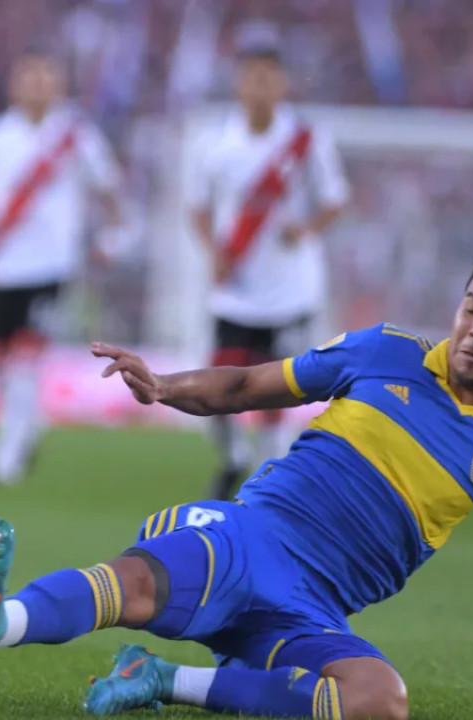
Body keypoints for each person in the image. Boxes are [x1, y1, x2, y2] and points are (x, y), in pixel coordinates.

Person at [0, 247, 473, 719]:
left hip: (313, 609)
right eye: (472, 307)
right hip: (254, 536)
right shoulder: (384, 352)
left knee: (379, 701)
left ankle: (160, 679)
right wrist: (163, 387)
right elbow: (245, 386)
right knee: (140, 585)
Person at [190, 21, 349, 500]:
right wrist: (213, 251)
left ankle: (268, 473)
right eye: (250, 76)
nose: (259, 86)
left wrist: (306, 228)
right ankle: (232, 457)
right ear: (238, 82)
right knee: (217, 385)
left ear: (281, 84)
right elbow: (196, 207)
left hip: (290, 290)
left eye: (268, 77)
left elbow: (336, 199)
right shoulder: (215, 143)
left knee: (280, 387)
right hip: (236, 289)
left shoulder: (307, 141)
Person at [0, 49, 124, 485]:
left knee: (27, 356)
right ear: (15, 83)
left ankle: (8, 452)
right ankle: (27, 421)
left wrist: (110, 239)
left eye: (47, 75)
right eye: (30, 75)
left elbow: (110, 194)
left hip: (51, 267)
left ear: (60, 83)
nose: (39, 84)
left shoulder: (77, 137)